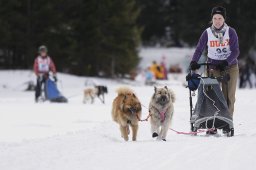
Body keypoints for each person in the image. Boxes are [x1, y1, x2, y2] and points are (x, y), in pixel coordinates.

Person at [189, 6, 239, 118]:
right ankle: (212, 122)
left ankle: (227, 121)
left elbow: (235, 51)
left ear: (224, 19)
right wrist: (194, 61)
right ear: (212, 19)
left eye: (220, 18)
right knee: (212, 94)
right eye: (215, 18)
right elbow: (199, 49)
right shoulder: (207, 33)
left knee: (228, 96)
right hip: (213, 66)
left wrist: (226, 62)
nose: (217, 21)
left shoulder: (231, 32)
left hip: (230, 67)